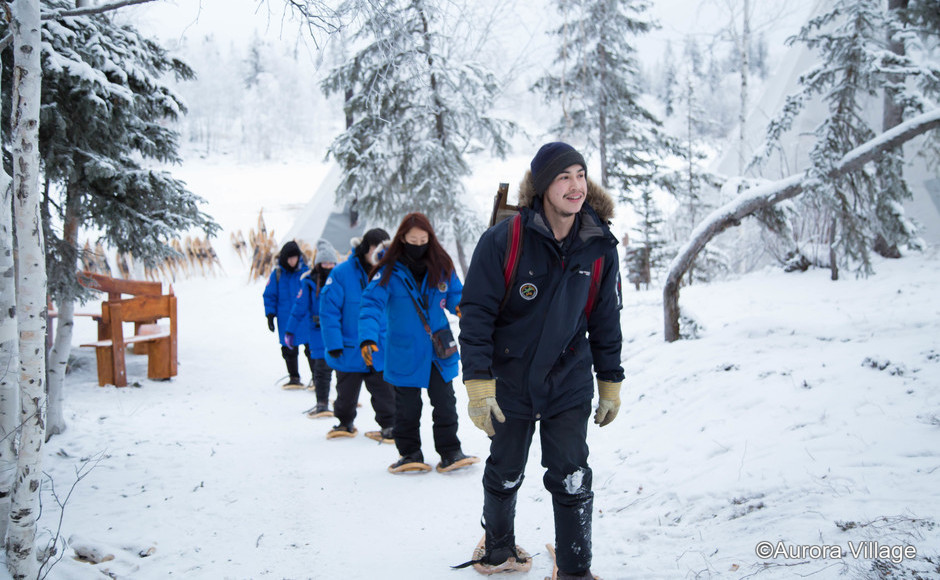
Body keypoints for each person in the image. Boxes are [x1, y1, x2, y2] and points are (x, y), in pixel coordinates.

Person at [458, 142, 624, 579]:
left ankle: (574, 569)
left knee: (572, 474)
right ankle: (497, 548)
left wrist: (610, 380)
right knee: (506, 469)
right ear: (543, 186)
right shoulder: (504, 240)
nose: (576, 186)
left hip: (568, 379)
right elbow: (476, 313)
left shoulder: (600, 245)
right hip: (509, 380)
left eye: (581, 175)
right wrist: (478, 382)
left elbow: (606, 318)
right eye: (563, 177)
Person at [359, 213, 478, 474]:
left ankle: (450, 451)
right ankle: (410, 453)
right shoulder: (388, 271)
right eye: (413, 240)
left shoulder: (442, 264)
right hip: (405, 350)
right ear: (402, 238)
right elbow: (370, 304)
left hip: (438, 350)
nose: (418, 244)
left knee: (445, 403)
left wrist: (464, 311)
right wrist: (367, 337)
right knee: (407, 408)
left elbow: (458, 296)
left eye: (423, 239)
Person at [318, 228, 396, 441]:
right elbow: (328, 311)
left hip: (379, 347)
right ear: (365, 248)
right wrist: (333, 343)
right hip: (350, 348)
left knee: (385, 392)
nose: (378, 253)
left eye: (384, 249)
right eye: (375, 248)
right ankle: (344, 421)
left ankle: (390, 425)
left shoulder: (391, 274)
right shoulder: (341, 273)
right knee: (346, 393)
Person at [285, 239, 339, 416]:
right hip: (317, 332)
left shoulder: (340, 280)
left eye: (332, 263)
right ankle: (322, 403)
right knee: (321, 370)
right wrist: (290, 330)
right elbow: (299, 307)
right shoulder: (308, 282)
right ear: (318, 264)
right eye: (325, 262)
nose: (328, 266)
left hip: (338, 331)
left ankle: (343, 400)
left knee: (343, 369)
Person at [263, 240, 310, 389]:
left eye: (295, 257)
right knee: (288, 349)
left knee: (311, 348)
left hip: (304, 317)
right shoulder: (277, 274)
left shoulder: (306, 272)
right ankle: (294, 377)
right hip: (285, 318)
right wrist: (270, 315)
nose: (292, 261)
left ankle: (317, 378)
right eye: (289, 258)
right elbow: (269, 295)